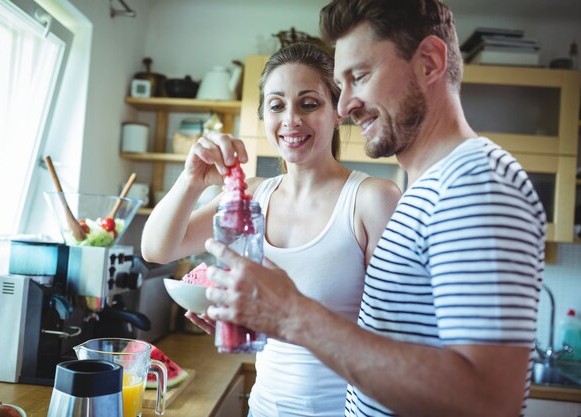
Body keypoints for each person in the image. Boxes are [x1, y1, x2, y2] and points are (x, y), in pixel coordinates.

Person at [203, 1, 546, 416]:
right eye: (341, 85)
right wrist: (274, 318)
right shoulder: (430, 188)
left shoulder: (475, 183)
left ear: (429, 62)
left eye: (360, 77)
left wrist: (294, 315)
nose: (345, 106)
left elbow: (491, 401)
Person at [141, 43, 401, 417]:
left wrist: (286, 319)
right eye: (277, 105)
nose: (291, 120)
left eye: (308, 103)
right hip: (263, 408)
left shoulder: (372, 199)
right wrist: (191, 180)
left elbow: (395, 340)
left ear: (339, 111)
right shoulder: (252, 195)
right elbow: (156, 249)